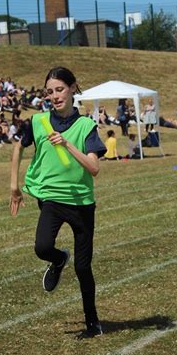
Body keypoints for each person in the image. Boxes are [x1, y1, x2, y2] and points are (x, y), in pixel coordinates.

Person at [9, 66, 106, 338]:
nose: (55, 95)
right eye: (50, 91)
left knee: (83, 267)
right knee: (42, 247)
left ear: (73, 88)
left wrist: (66, 144)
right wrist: (14, 187)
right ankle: (58, 258)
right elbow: (18, 146)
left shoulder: (87, 126)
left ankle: (92, 323)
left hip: (82, 203)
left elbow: (94, 168)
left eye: (60, 89)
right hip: (51, 198)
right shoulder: (39, 121)